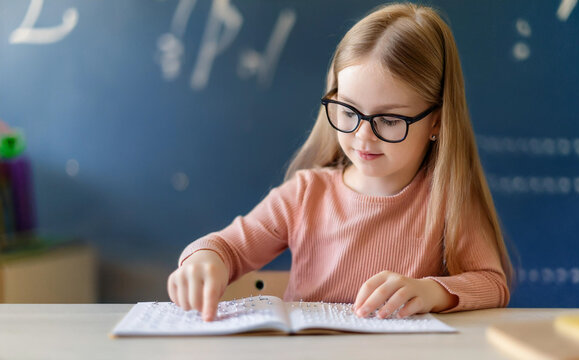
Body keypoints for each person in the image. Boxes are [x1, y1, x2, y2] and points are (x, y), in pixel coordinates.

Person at [168, 2, 514, 322]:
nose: (363, 136)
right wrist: (204, 259)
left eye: (390, 120)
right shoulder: (305, 194)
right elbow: (226, 247)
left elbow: (492, 283)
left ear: (436, 122)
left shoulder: (448, 200)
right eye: (348, 111)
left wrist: (430, 291)